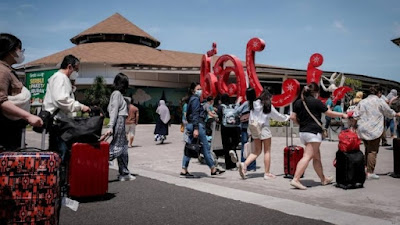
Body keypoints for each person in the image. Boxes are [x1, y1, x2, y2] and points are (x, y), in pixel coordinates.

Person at [289, 82, 348, 190]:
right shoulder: (317, 102)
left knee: (316, 157)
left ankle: (323, 179)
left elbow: (292, 117)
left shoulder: (297, 102)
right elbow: (329, 113)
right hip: (313, 134)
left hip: (303, 133)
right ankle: (296, 179)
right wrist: (342, 114)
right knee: (307, 156)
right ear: (316, 92)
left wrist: (301, 124)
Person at [43, 54, 90, 162]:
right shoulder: (60, 78)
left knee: (60, 153)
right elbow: (61, 99)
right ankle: (60, 178)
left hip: (59, 122)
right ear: (69, 67)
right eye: (76, 69)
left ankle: (59, 176)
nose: (76, 73)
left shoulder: (60, 78)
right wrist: (80, 107)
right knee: (61, 155)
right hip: (59, 123)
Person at [0, 33, 43, 150]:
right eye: (19, 49)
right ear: (10, 50)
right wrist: (28, 116)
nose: (21, 52)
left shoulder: (10, 71)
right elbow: (1, 101)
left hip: (12, 131)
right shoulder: (2, 71)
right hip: (5, 133)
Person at [238, 89, 289, 180]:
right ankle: (267, 173)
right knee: (267, 151)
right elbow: (278, 116)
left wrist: (250, 132)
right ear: (269, 97)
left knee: (256, 151)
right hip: (264, 128)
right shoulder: (267, 105)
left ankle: (244, 164)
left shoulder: (253, 104)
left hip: (254, 128)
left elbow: (251, 118)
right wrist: (287, 117)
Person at [352, 84, 400, 179]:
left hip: (362, 129)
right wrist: (396, 114)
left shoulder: (363, 101)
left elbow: (355, 115)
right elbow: (389, 112)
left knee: (367, 149)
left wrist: (354, 126)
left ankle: (366, 168)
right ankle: (370, 172)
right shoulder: (380, 101)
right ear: (379, 93)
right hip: (374, 129)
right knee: (373, 151)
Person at [180, 82, 225, 177]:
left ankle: (184, 169)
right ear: (193, 90)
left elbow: (189, 114)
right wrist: (196, 128)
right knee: (205, 147)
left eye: (201, 89)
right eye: (198, 89)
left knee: (189, 146)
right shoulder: (195, 99)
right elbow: (195, 114)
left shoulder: (191, 99)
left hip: (191, 125)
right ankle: (213, 168)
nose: (200, 91)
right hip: (197, 125)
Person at [103, 73, 135, 181]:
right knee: (118, 147)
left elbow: (110, 108)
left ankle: (124, 172)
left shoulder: (117, 94)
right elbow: (113, 110)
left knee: (124, 148)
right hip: (120, 121)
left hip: (120, 120)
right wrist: (110, 126)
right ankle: (101, 159)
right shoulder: (117, 94)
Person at [235, 88, 257, 172]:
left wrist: (237, 103)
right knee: (253, 147)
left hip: (245, 127)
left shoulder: (246, 103)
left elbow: (236, 111)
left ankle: (244, 164)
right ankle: (252, 166)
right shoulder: (256, 104)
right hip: (254, 127)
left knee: (245, 146)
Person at [217, 94, 240, 170]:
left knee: (226, 145)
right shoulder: (233, 106)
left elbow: (219, 117)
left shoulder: (221, 107)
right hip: (234, 127)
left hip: (225, 128)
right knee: (233, 144)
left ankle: (229, 165)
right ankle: (233, 154)